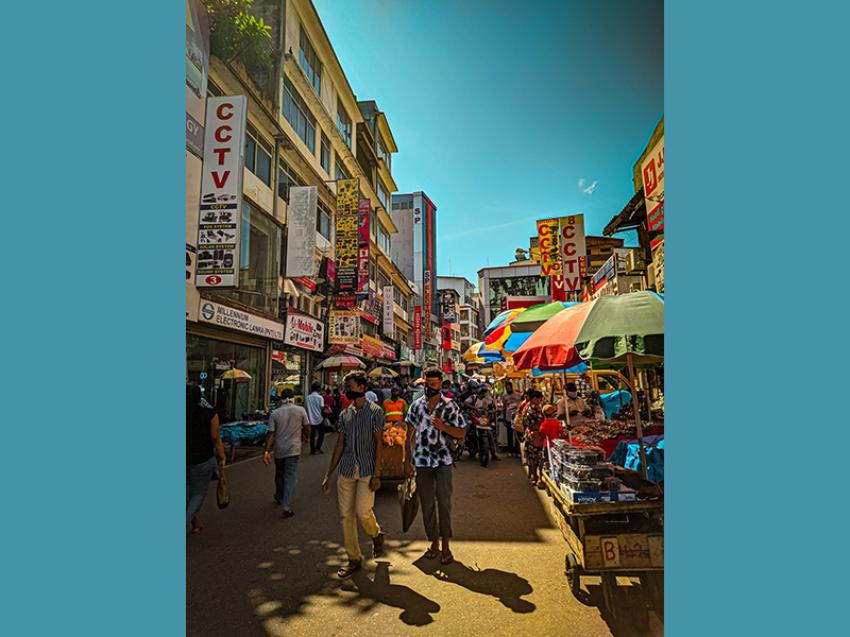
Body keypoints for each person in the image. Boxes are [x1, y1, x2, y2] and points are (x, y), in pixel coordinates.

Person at [322, 370, 387, 578]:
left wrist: (377, 474)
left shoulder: (376, 412)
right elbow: (340, 445)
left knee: (362, 512)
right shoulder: (344, 414)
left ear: (361, 387)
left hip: (367, 470)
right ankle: (354, 558)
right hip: (347, 470)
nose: (347, 391)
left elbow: (379, 443)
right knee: (345, 517)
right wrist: (328, 473)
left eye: (349, 387)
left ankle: (376, 534)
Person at [404, 367, 467, 565]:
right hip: (422, 462)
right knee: (427, 504)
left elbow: (461, 433)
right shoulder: (416, 406)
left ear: (440, 385)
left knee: (444, 502)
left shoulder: (450, 406)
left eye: (433, 385)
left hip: (443, 461)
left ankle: (446, 544)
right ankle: (433, 542)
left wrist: (444, 427)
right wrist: (406, 461)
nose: (429, 388)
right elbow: (408, 436)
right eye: (427, 385)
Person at [262, 388, 309, 518]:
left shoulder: (275, 413)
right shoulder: (300, 410)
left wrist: (266, 450)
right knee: (290, 476)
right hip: (294, 448)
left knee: (279, 474)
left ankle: (280, 495)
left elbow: (270, 433)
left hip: (279, 449)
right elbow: (306, 426)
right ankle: (286, 505)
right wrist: (306, 437)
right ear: (293, 398)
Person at [187, 384, 227, 534]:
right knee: (198, 493)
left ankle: (195, 522)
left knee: (187, 492)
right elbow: (216, 438)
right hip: (203, 458)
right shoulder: (209, 414)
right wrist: (222, 456)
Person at [463, 384, 500, 461]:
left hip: (483, 420)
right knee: (466, 430)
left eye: (485, 392)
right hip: (474, 419)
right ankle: (460, 449)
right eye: (483, 392)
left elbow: (491, 408)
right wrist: (474, 408)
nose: (484, 394)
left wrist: (494, 410)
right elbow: (465, 403)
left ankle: (493, 454)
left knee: (490, 435)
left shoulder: (487, 400)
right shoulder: (473, 397)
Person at [518, 389, 546, 487]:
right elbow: (539, 421)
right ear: (534, 399)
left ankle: (534, 476)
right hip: (534, 436)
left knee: (533, 458)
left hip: (531, 434)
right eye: (539, 399)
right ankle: (536, 477)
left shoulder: (527, 406)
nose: (540, 401)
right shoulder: (533, 408)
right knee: (536, 458)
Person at [501, 381, 521, 457]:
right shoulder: (504, 396)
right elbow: (504, 407)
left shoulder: (517, 395)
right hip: (508, 417)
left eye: (509, 387)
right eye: (507, 387)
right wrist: (503, 418)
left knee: (517, 434)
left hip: (516, 417)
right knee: (509, 435)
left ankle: (517, 451)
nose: (508, 388)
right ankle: (510, 450)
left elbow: (520, 405)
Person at [305, 382, 326, 454]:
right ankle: (318, 447)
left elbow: (306, 407)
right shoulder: (320, 398)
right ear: (318, 389)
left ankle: (312, 449)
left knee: (312, 435)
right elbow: (322, 407)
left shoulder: (308, 398)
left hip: (310, 418)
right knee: (321, 433)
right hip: (320, 418)